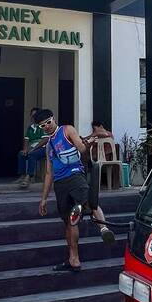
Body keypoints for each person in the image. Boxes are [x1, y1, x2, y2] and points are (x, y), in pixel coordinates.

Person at [37, 109, 114, 271]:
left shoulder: (67, 130)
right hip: (60, 184)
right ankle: (74, 260)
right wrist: (43, 198)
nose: (46, 127)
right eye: (42, 126)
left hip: (75, 176)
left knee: (89, 201)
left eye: (48, 122)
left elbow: (82, 149)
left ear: (54, 119)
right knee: (70, 222)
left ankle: (104, 228)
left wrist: (87, 143)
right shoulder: (49, 145)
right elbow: (49, 173)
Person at [17, 109, 50, 188]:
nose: (33, 117)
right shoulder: (30, 128)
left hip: (43, 148)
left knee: (32, 154)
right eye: (32, 115)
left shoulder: (43, 126)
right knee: (21, 154)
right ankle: (22, 175)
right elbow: (26, 140)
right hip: (32, 148)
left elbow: (45, 140)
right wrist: (25, 149)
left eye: (35, 115)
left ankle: (29, 177)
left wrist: (34, 148)